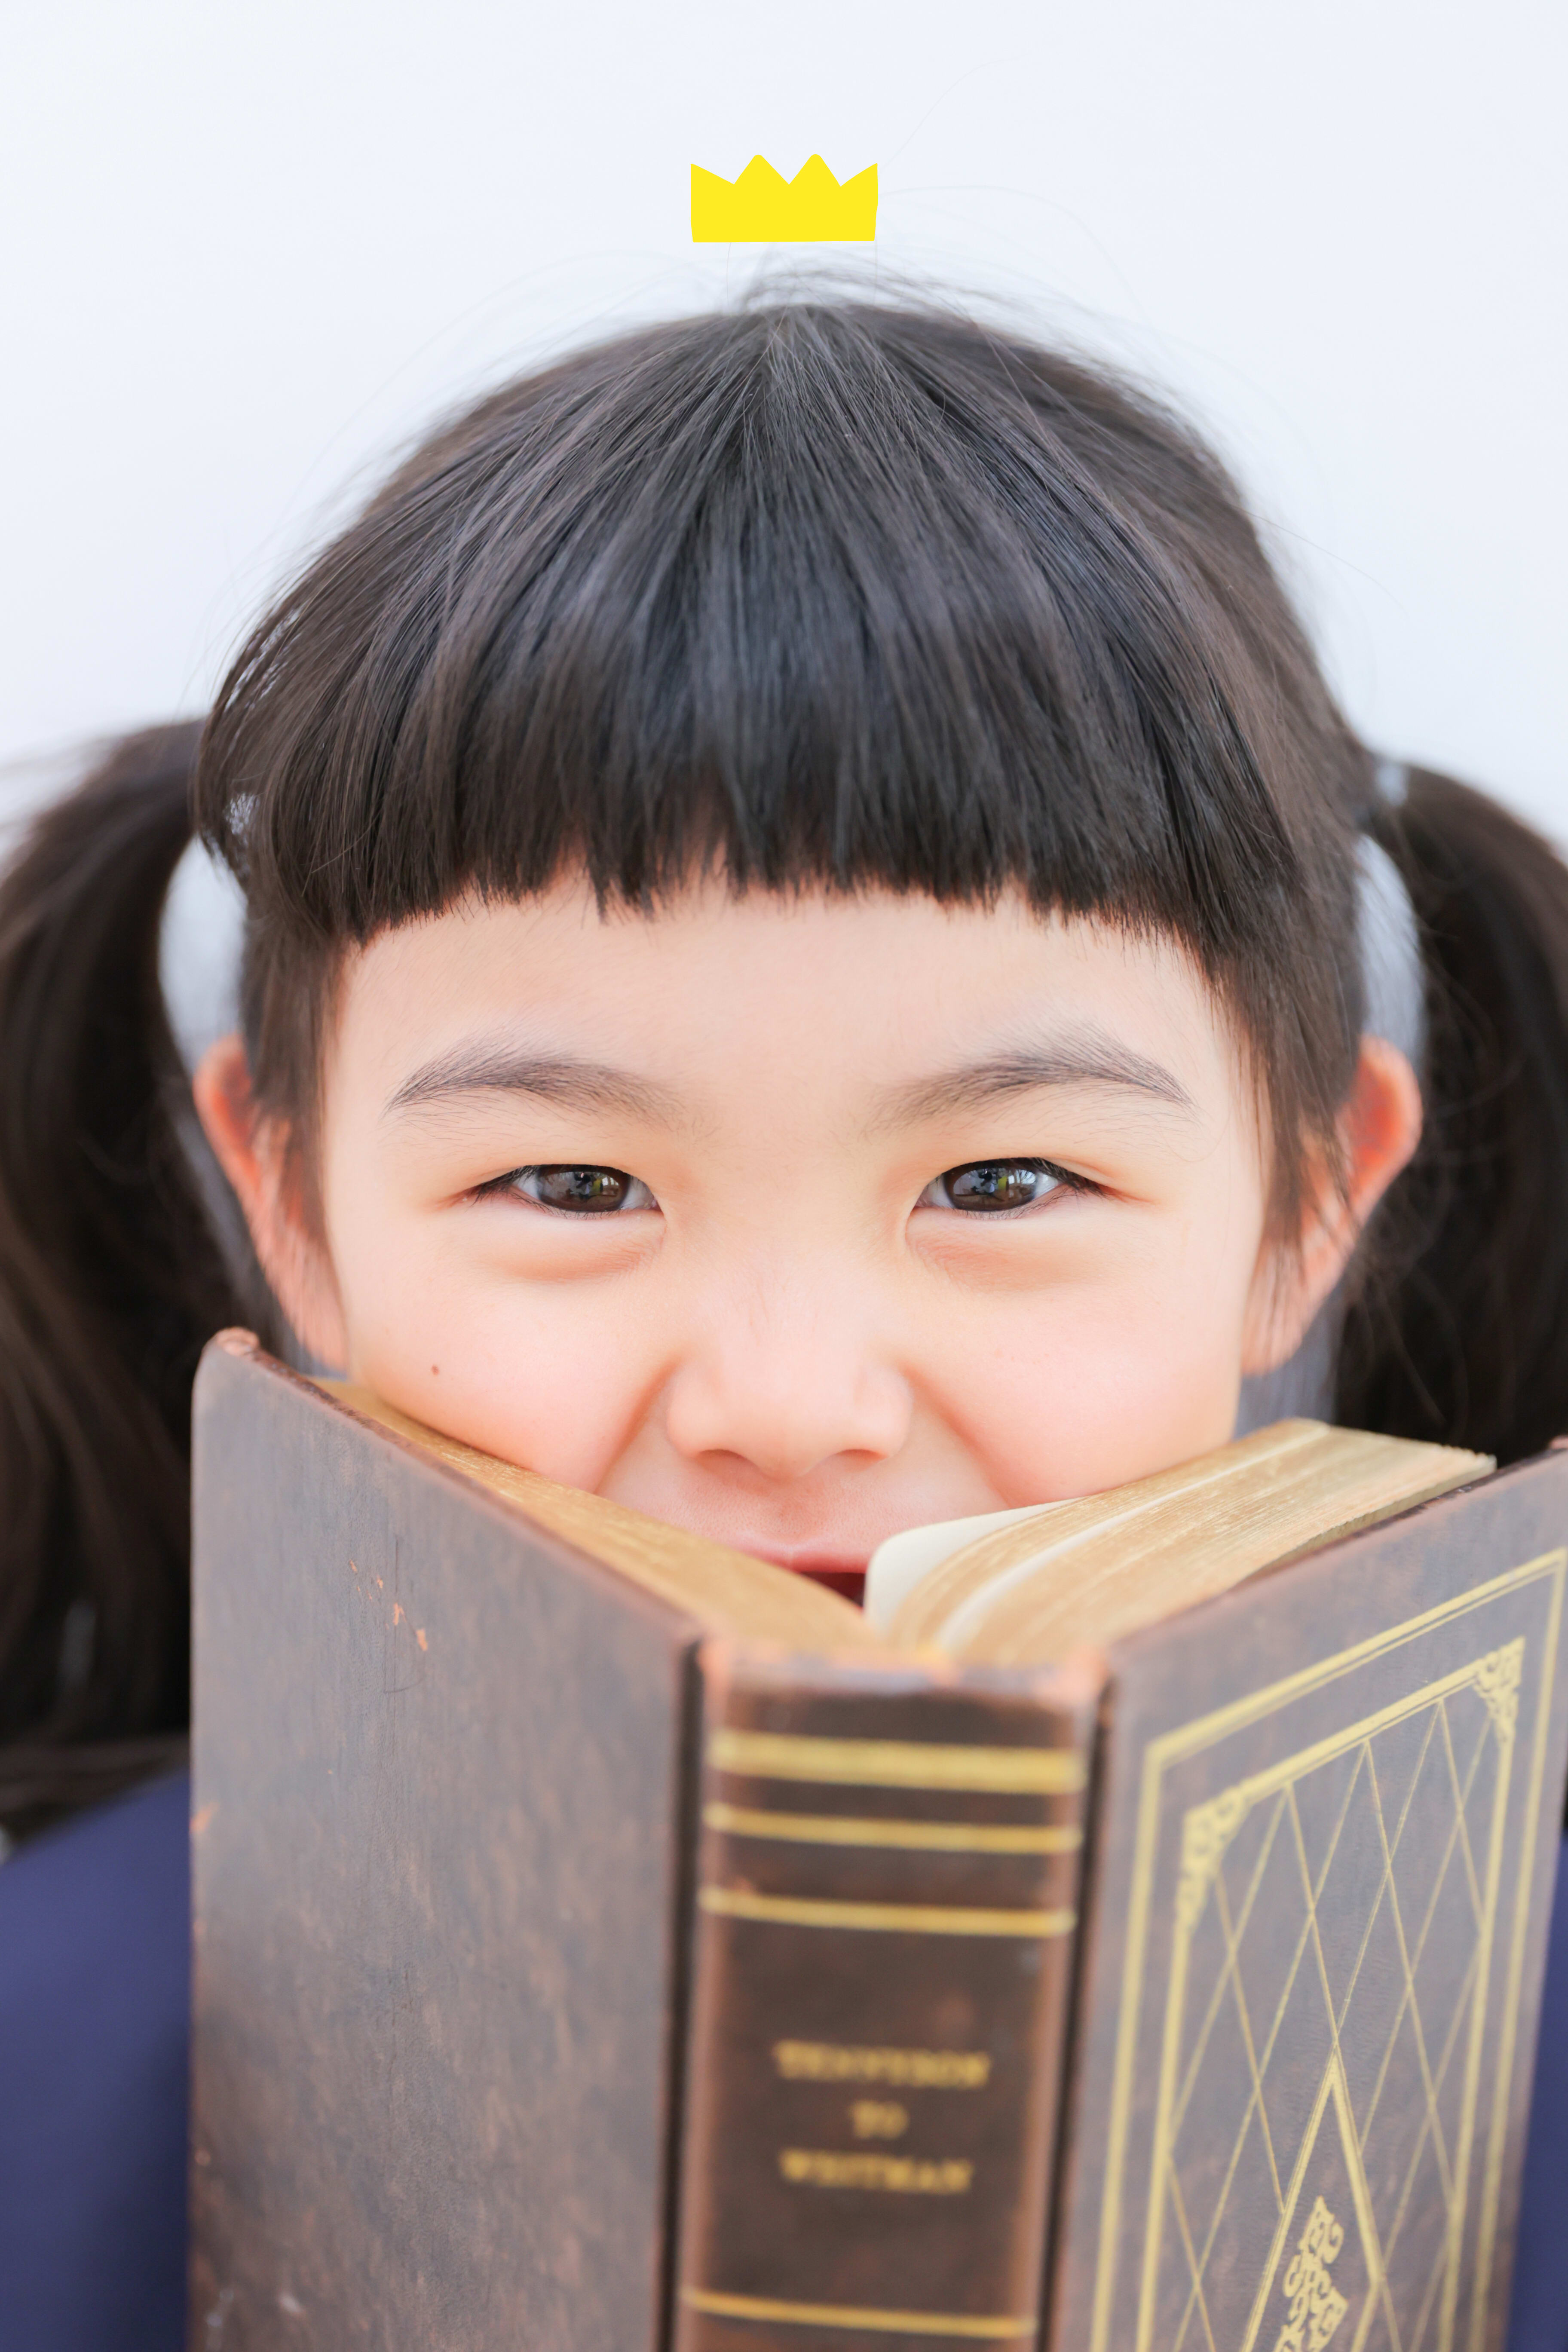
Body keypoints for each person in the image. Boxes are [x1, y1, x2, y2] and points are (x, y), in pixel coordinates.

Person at [1, 298, 1566, 2349]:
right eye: (569, 1186)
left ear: (1309, 1204)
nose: (785, 1403)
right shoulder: (53, 2035)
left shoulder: (1501, 2032)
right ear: (289, 1202)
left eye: (1004, 1185)